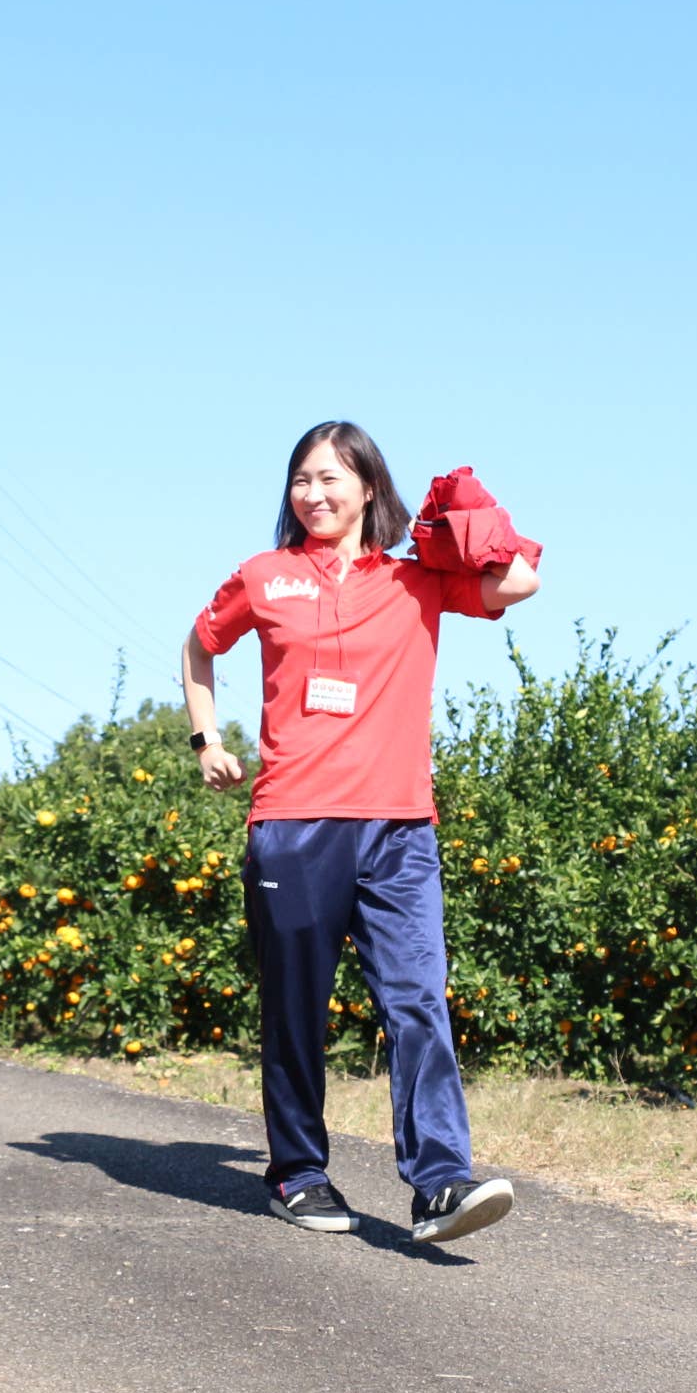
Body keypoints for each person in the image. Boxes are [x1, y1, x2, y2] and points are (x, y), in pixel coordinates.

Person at [182, 422, 542, 1244]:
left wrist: (469, 508)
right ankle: (298, 1171)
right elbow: (199, 647)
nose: (314, 493)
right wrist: (207, 739)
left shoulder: (418, 580)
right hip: (294, 822)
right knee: (297, 1010)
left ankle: (442, 1182)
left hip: (400, 826)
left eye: (332, 478)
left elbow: (518, 581)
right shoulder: (265, 577)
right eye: (301, 480)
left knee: (417, 1001)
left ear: (370, 487)